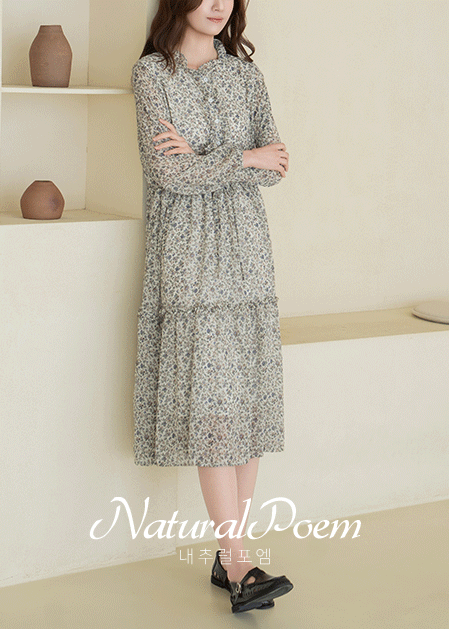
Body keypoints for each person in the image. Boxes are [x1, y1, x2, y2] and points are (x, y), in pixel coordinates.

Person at [130, 0, 292, 613]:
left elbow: (277, 163)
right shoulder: (153, 74)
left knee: (245, 404)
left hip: (247, 248)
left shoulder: (245, 75)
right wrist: (243, 157)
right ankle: (238, 562)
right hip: (188, 254)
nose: (220, 3)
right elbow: (168, 175)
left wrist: (208, 160)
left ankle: (235, 559)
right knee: (213, 407)